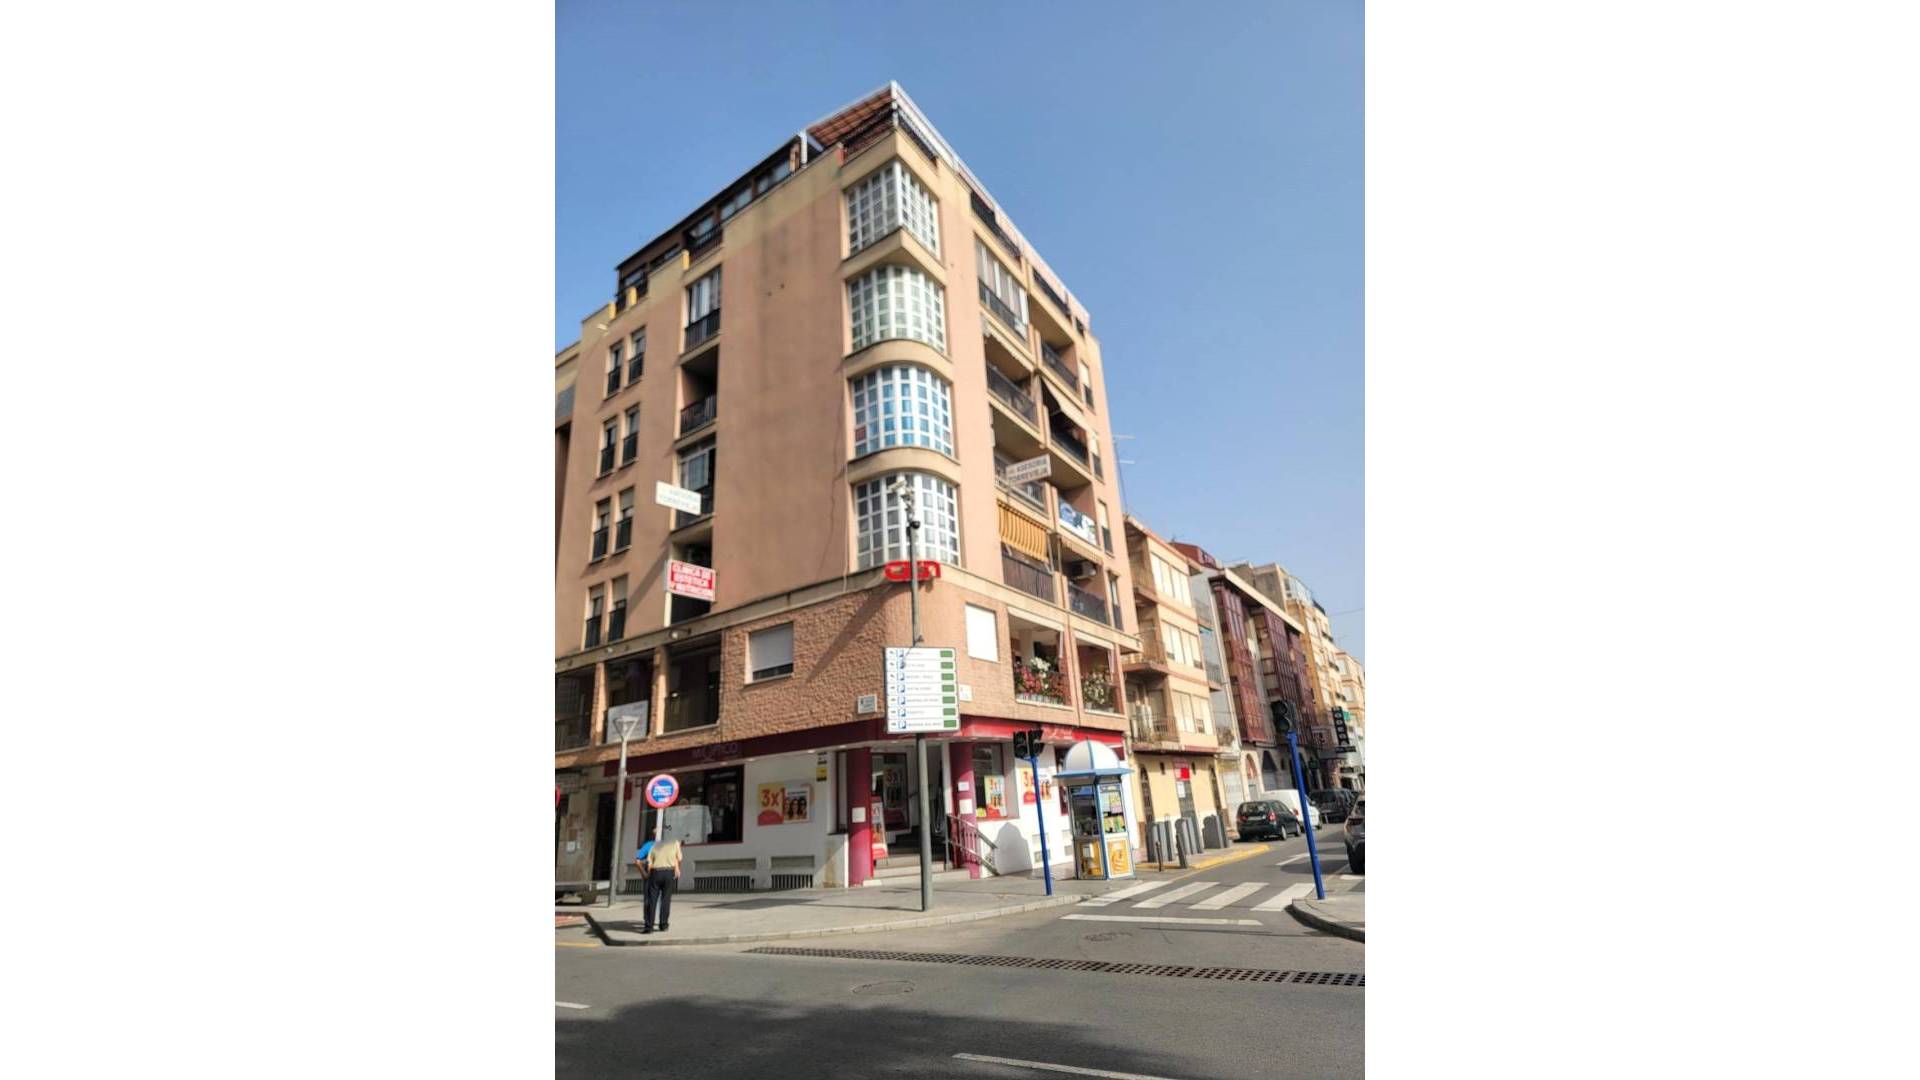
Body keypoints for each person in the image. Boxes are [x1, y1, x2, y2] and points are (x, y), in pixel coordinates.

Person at [640, 835, 682, 934]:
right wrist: (677, 869)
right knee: (665, 900)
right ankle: (663, 925)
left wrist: (648, 875)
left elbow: (649, 863)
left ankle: (649, 927)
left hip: (656, 872)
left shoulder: (654, 846)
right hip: (669, 872)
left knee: (652, 900)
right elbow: (679, 858)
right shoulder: (675, 843)